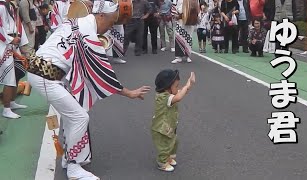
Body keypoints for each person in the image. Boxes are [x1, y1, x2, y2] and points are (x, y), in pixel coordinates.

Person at [27, 0, 151, 179]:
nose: (109, 28)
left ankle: (68, 159)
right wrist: (129, 93)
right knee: (80, 117)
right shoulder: (88, 34)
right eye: (110, 22)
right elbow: (103, 74)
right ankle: (73, 167)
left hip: (44, 71)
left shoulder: (77, 21)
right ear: (101, 15)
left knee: (73, 117)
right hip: (45, 75)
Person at [152, 69, 195, 172]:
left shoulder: (169, 95)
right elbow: (179, 97)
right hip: (161, 129)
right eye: (176, 86)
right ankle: (162, 163)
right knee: (165, 146)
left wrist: (190, 83)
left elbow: (182, 93)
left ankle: (168, 158)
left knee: (174, 141)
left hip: (168, 127)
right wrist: (185, 86)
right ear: (167, 88)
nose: (178, 88)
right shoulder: (163, 97)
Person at [0, 0, 29, 119]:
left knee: (18, 72)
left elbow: (18, 25)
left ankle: (11, 102)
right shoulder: (1, 6)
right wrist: (10, 39)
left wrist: (22, 46)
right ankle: (6, 109)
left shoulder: (11, 6)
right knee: (9, 78)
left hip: (13, 43)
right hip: (4, 45)